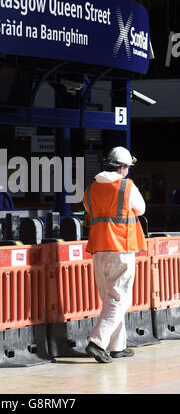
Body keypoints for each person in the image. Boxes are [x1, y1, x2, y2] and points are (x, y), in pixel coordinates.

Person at [83, 146, 147, 364]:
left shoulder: (91, 189)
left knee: (110, 299)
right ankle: (97, 342)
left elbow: (89, 211)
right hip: (121, 248)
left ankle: (117, 346)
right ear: (122, 167)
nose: (128, 171)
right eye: (128, 167)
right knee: (119, 300)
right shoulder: (126, 187)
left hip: (98, 250)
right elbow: (141, 209)